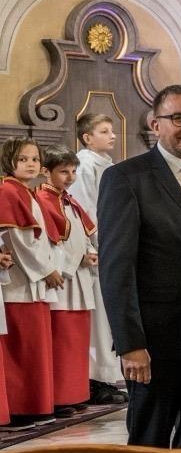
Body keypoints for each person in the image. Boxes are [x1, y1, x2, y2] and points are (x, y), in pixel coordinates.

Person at [98, 84, 181, 448]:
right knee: (150, 443)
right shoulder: (126, 178)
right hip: (157, 344)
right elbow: (116, 269)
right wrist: (131, 344)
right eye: (178, 118)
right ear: (155, 124)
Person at [0, 138, 58, 425]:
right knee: (20, 348)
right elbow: (19, 240)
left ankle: (36, 404)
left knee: (35, 348)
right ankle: (20, 407)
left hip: (32, 283)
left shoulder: (26, 192)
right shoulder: (9, 192)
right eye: (23, 159)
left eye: (35, 159)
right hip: (18, 283)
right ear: (8, 161)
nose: (31, 164)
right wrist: (46, 270)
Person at [37, 146, 96, 414]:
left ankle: (75, 393)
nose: (70, 177)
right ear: (46, 171)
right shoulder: (43, 200)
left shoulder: (69, 200)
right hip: (61, 279)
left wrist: (90, 252)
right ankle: (59, 397)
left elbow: (83, 234)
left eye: (73, 171)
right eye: (63, 172)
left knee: (77, 340)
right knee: (61, 340)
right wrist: (76, 260)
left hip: (78, 279)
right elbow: (48, 242)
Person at [70, 113, 123, 405]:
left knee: (109, 319)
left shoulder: (109, 166)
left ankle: (108, 378)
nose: (112, 136)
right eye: (104, 131)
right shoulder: (84, 165)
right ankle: (95, 380)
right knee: (99, 321)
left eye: (112, 130)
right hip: (98, 251)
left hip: (112, 248)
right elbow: (87, 209)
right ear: (87, 137)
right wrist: (102, 245)